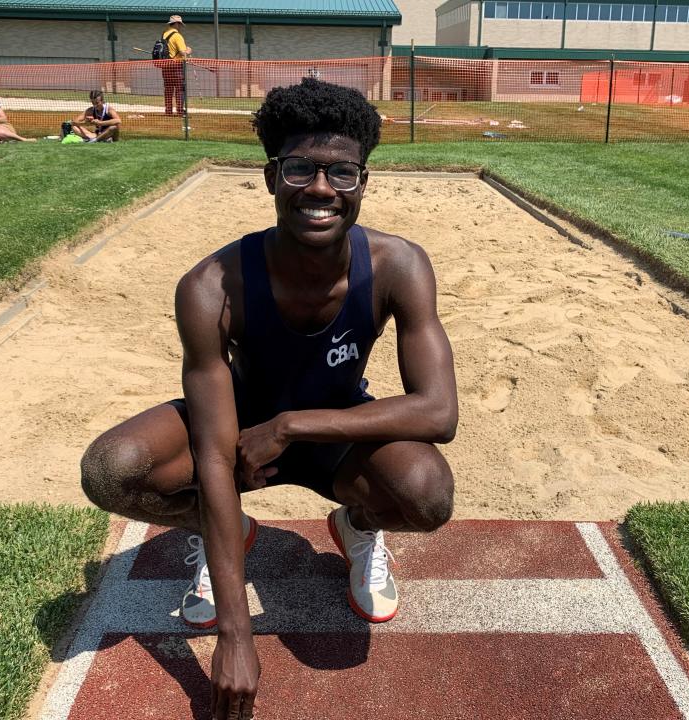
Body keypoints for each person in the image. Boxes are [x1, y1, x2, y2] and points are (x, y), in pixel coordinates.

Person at [80, 77, 457, 720]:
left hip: (330, 433)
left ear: (363, 182)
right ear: (269, 177)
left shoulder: (399, 264)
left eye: (341, 172)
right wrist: (236, 632)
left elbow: (438, 411)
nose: (319, 188)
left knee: (426, 495)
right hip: (239, 437)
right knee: (112, 469)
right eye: (300, 169)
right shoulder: (210, 285)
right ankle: (221, 533)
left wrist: (291, 425)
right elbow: (214, 449)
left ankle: (356, 528)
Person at [160, 15, 191, 116]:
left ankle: (168, 111)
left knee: (168, 89)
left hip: (165, 65)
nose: (180, 26)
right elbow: (183, 53)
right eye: (180, 24)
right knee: (179, 89)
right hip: (176, 65)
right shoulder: (177, 36)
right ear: (177, 24)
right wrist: (189, 51)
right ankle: (180, 111)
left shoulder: (164, 34)